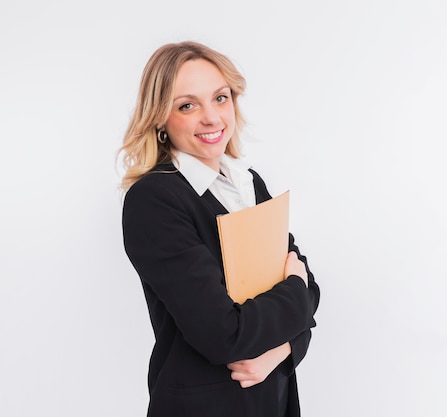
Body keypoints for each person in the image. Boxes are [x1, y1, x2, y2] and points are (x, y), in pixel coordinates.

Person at [117, 41, 320, 417]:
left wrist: (284, 350)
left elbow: (313, 292)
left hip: (272, 400)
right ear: (159, 118)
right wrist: (295, 289)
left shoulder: (247, 183)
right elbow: (225, 334)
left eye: (221, 98)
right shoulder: (154, 200)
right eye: (187, 105)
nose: (211, 117)